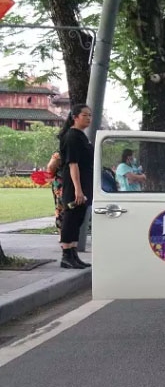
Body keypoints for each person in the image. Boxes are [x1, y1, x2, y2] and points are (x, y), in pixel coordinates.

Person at [57, 104, 94, 269]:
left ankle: (73, 254)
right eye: (85, 115)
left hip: (84, 183)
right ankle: (66, 255)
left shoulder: (81, 136)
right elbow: (73, 164)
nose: (88, 118)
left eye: (90, 115)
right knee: (70, 218)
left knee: (78, 218)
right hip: (74, 185)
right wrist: (78, 189)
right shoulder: (72, 136)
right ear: (75, 117)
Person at [45, 151, 65, 237]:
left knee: (60, 208)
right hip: (63, 184)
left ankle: (62, 234)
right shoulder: (59, 154)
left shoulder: (59, 153)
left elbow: (50, 167)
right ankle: (63, 234)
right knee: (62, 208)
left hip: (60, 183)